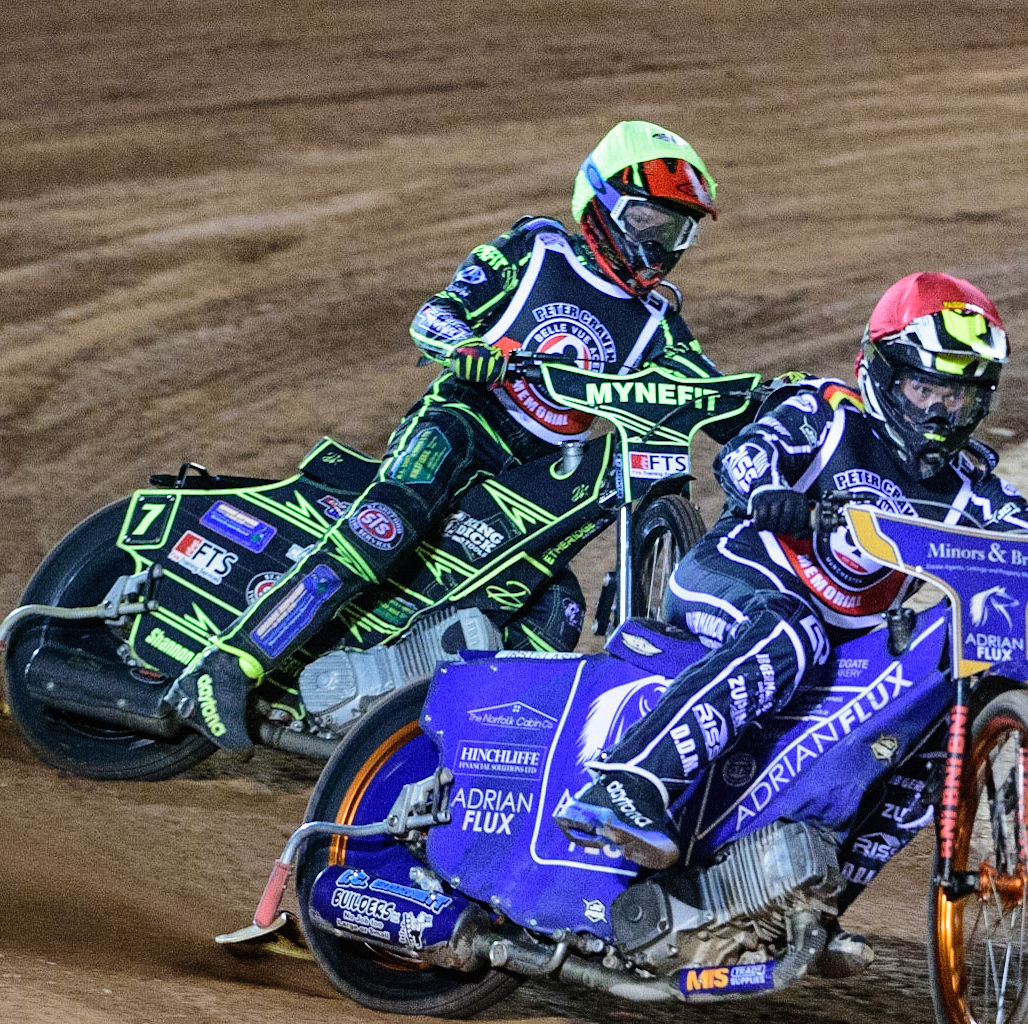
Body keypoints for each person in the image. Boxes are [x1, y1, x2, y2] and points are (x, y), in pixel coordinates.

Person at [555, 271, 1028, 875]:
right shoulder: (825, 412)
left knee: (933, 691)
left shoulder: (972, 482)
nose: (940, 412)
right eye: (925, 389)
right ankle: (627, 784)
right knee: (791, 631)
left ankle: (820, 890)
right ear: (881, 372)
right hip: (734, 580)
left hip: (846, 641)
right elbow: (747, 453)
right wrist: (770, 493)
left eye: (959, 397)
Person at [165, 121, 725, 752]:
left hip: (533, 473)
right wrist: (467, 347)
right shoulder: (537, 249)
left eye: (678, 230)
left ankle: (428, 742)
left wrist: (784, 401)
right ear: (601, 204)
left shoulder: (659, 323)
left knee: (556, 609)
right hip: (462, 421)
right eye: (650, 221)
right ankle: (228, 663)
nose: (661, 244)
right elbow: (435, 313)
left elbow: (711, 394)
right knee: (386, 525)